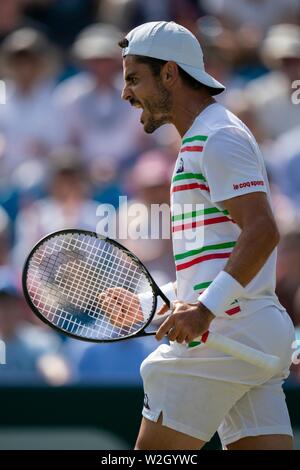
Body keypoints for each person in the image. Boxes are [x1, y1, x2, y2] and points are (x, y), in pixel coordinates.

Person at [102, 21, 295, 450]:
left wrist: (204, 313)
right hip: (250, 335)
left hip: (223, 336)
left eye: (134, 78)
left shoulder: (217, 136)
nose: (125, 92)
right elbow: (214, 265)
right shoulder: (207, 136)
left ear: (169, 73)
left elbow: (263, 231)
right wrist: (142, 304)